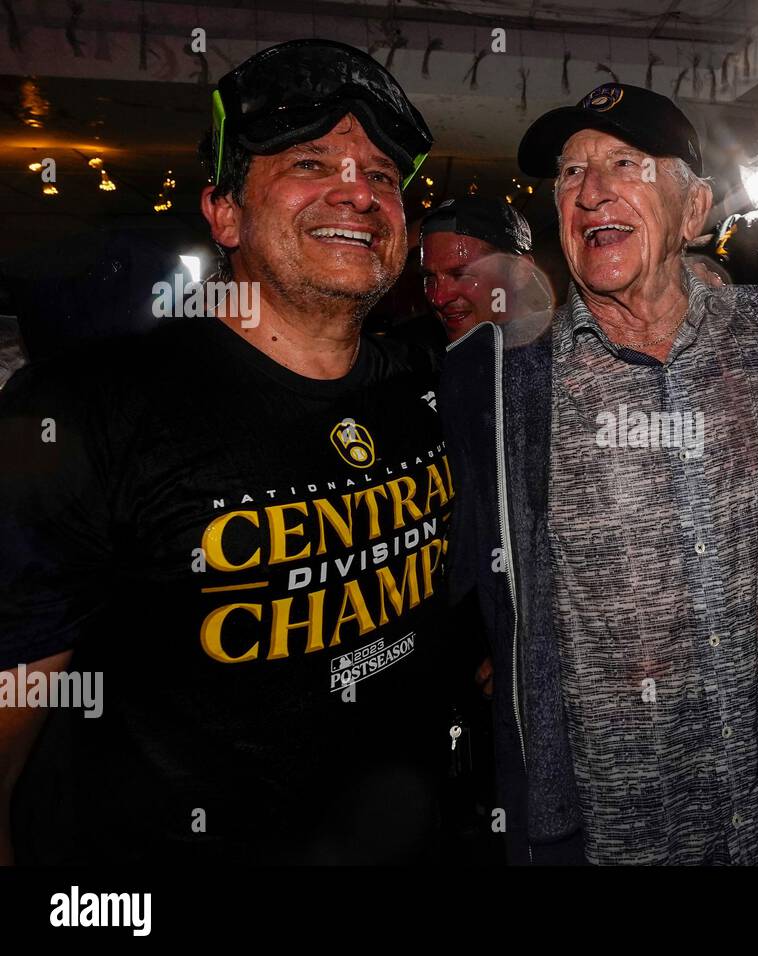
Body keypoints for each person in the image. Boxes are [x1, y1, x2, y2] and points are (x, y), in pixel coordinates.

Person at [0, 40, 470, 864]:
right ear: (223, 211)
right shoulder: (89, 413)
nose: (356, 193)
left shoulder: (420, 386)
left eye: (383, 177)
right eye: (310, 162)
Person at [449, 82, 758, 865]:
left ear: (693, 209)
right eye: (570, 174)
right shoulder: (511, 383)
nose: (591, 189)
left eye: (625, 163)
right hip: (625, 819)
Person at [419, 196, 551, 343]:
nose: (439, 299)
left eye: (460, 275)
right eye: (429, 277)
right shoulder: (428, 358)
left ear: (520, 272)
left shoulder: (565, 356)